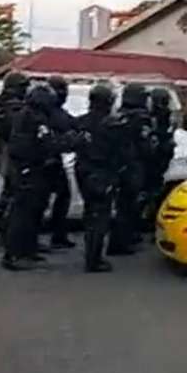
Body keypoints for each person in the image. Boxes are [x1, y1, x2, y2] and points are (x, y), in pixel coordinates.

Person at [2, 85, 59, 271]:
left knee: (33, 212)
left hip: (28, 170)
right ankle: (14, 255)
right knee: (22, 215)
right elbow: (45, 143)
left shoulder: (24, 115)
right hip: (29, 170)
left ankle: (28, 249)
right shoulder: (34, 119)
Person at [75, 84, 122, 272]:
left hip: (83, 171)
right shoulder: (112, 125)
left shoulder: (81, 121)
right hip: (101, 173)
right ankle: (93, 260)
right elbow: (119, 152)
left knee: (90, 214)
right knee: (100, 218)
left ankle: (91, 255)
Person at [108, 84, 154, 256]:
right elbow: (146, 145)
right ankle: (122, 242)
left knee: (122, 205)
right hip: (134, 165)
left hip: (119, 165)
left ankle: (120, 239)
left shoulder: (118, 115)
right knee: (129, 205)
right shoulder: (141, 118)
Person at [0, 72, 29, 233]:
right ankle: (4, 225)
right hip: (9, 153)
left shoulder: (2, 104)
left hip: (4, 151)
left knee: (10, 190)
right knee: (14, 191)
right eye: (22, 87)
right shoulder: (12, 107)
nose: (25, 90)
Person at [46, 75, 76, 249]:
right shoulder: (50, 110)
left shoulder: (52, 109)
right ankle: (56, 235)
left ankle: (58, 234)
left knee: (62, 195)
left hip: (52, 159)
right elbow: (68, 124)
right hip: (47, 160)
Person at [143, 88, 176, 227]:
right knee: (155, 189)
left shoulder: (152, 116)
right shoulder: (163, 116)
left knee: (151, 188)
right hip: (158, 157)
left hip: (152, 157)